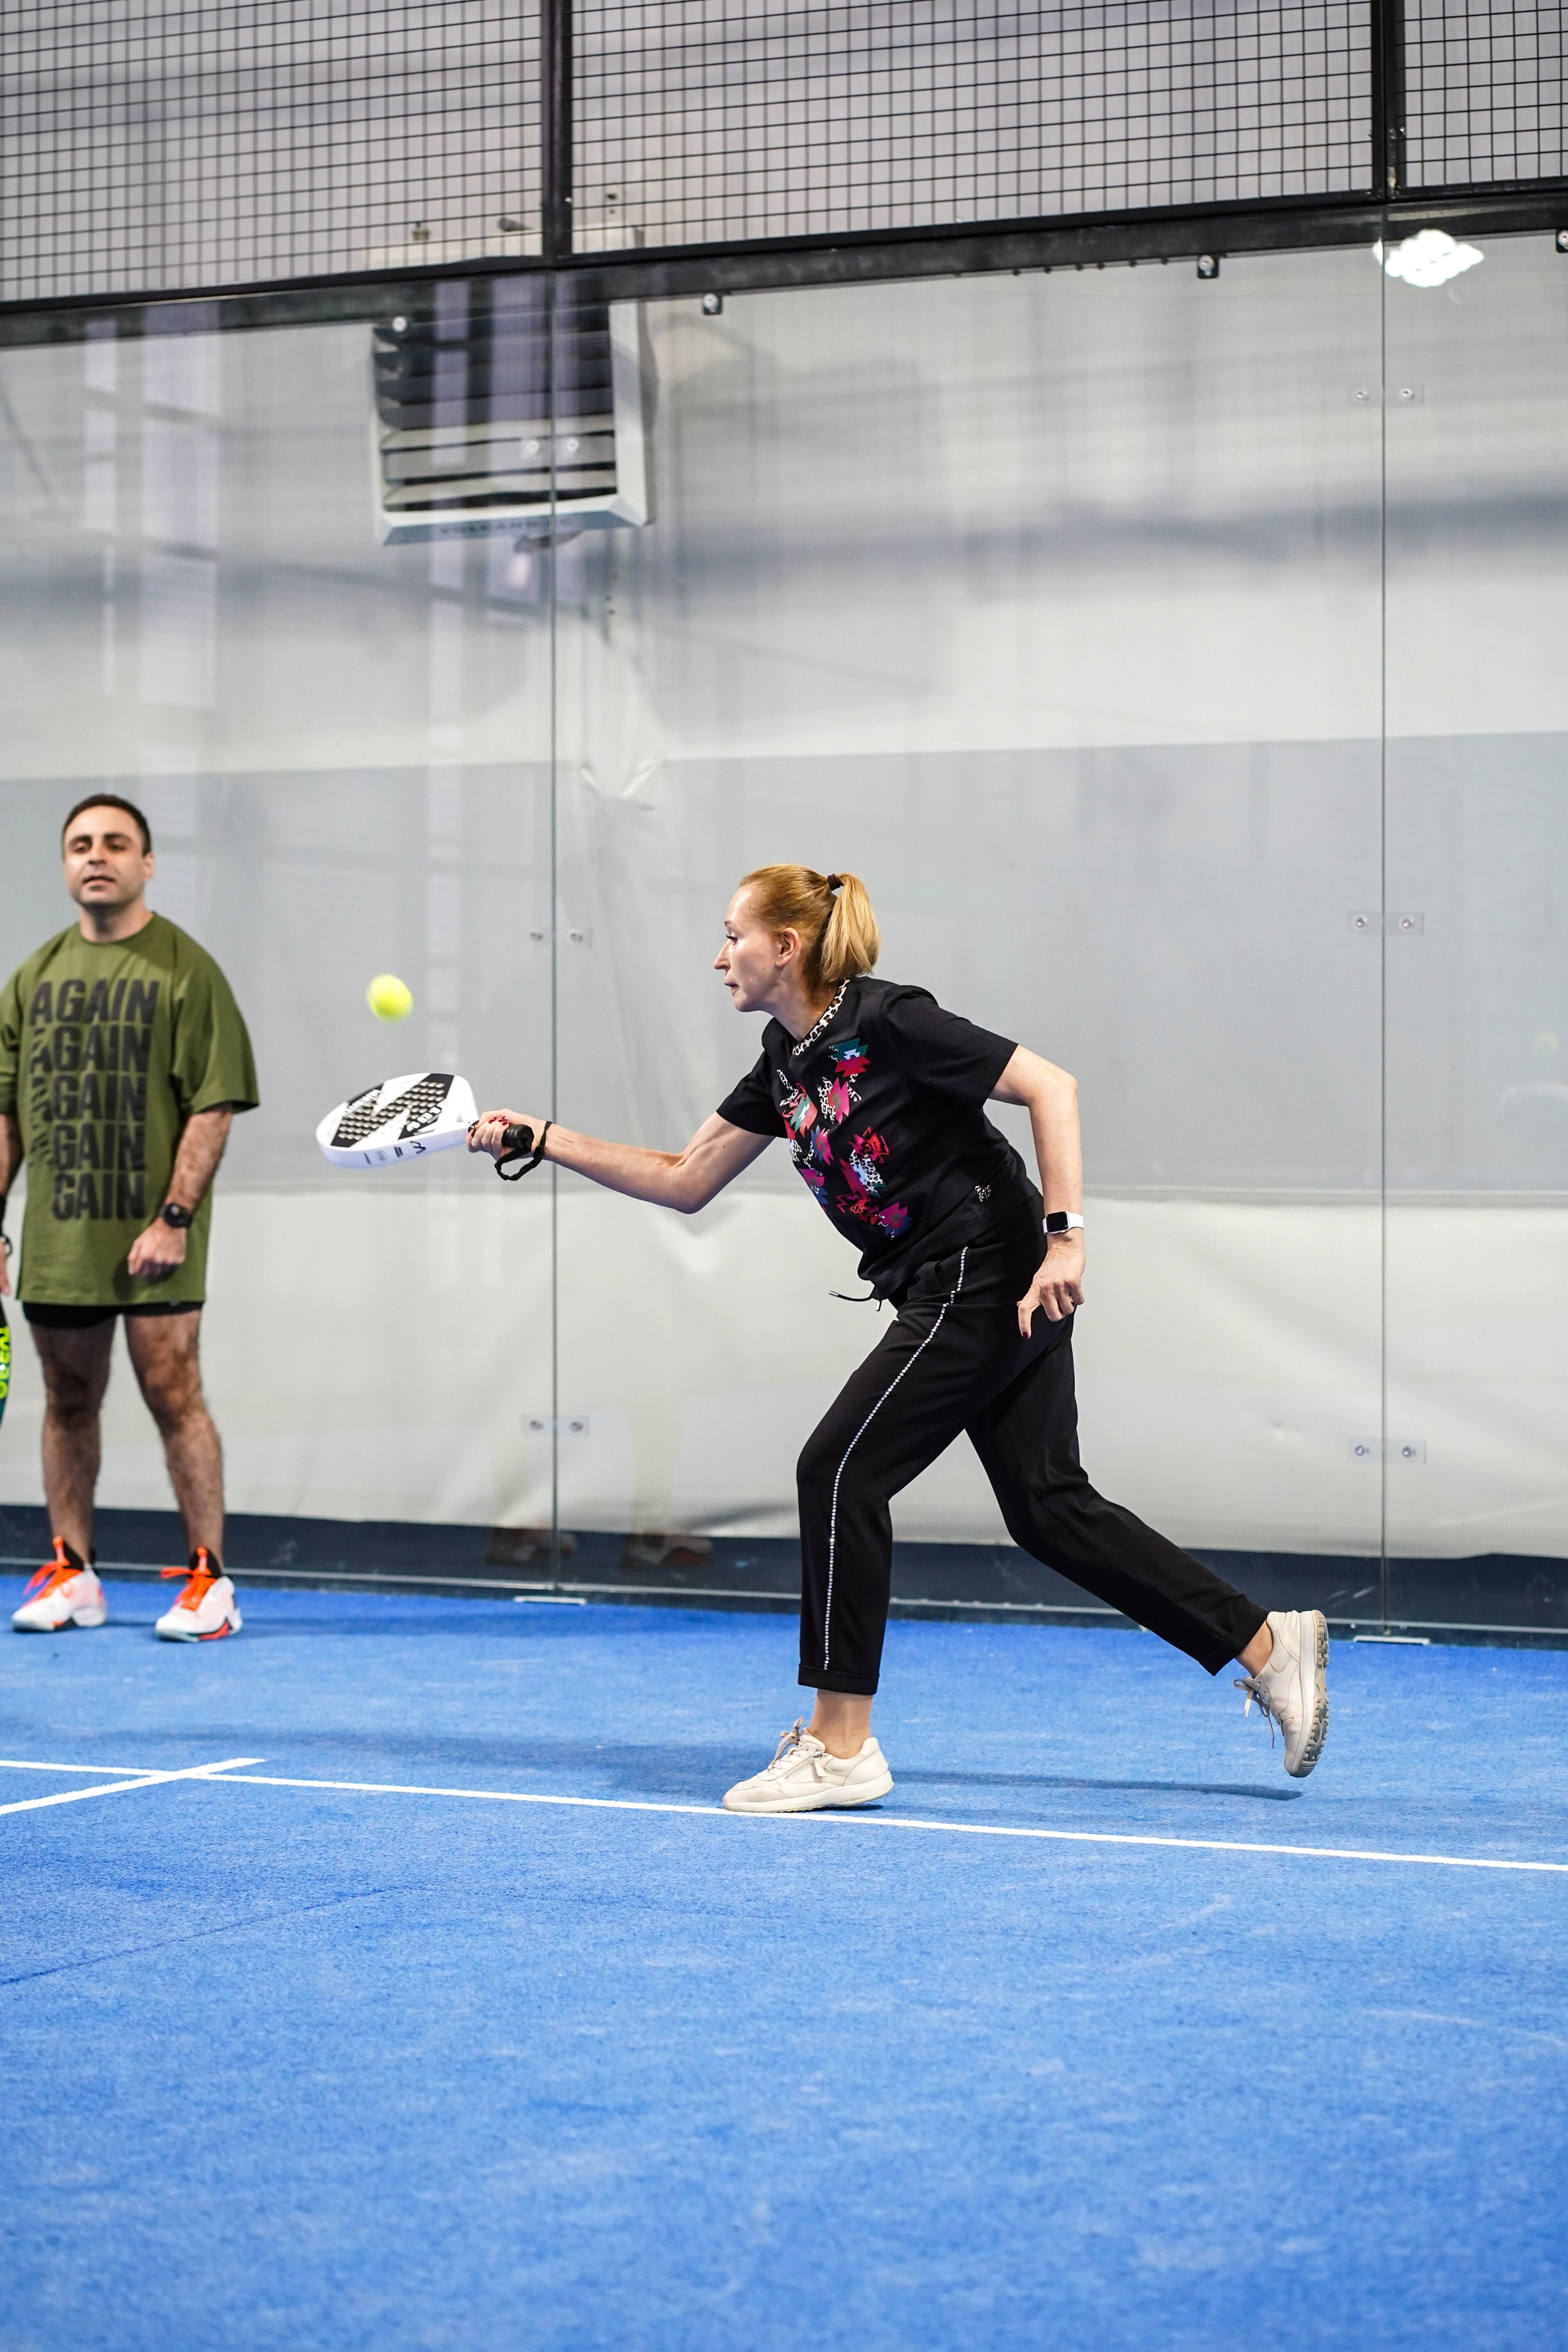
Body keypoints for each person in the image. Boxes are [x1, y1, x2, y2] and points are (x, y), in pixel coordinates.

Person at [469, 865, 1328, 1812]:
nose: (719, 958)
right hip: (955, 1279)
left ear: (785, 948)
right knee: (1049, 1508)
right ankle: (1266, 1645)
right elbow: (685, 1175)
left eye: (732, 937)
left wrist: (1068, 1238)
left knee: (838, 1470)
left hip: (987, 1270)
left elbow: (1052, 1086)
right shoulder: (784, 1059)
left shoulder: (889, 1019)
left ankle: (841, 1746)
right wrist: (542, 1137)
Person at [0, 794, 260, 1641]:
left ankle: (209, 1582)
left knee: (174, 1396)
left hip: (157, 1238)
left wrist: (175, 1217)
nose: (97, 855)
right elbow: (6, 1114)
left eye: (117, 843)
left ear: (148, 863)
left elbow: (214, 1105)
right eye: (80, 844)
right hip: (60, 1240)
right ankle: (75, 1572)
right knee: (66, 1401)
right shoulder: (32, 979)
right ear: (66, 865)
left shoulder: (187, 970)